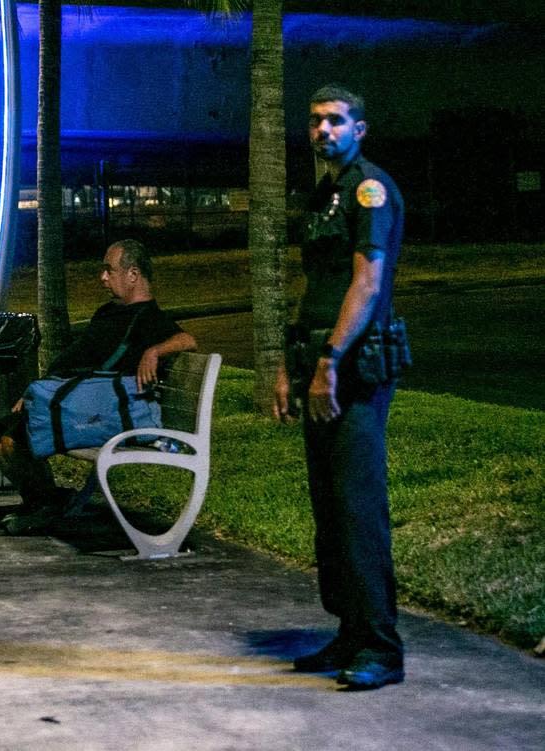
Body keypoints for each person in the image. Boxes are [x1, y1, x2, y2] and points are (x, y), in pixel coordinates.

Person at [272, 85, 406, 690]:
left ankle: (380, 647)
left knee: (357, 509)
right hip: (318, 370)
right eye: (315, 121)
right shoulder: (324, 194)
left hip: (355, 372)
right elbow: (315, 290)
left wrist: (328, 362)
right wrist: (287, 367)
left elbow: (366, 283)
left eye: (334, 121)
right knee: (329, 510)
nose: (323, 130)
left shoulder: (367, 190)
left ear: (360, 128)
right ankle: (349, 633)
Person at [0, 239, 197, 533]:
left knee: (9, 440)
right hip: (76, 404)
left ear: (133, 275)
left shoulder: (149, 318)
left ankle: (43, 506)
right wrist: (39, 392)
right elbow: (77, 362)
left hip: (98, 415)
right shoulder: (108, 313)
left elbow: (188, 340)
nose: (102, 277)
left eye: (108, 270)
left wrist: (154, 352)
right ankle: (45, 503)